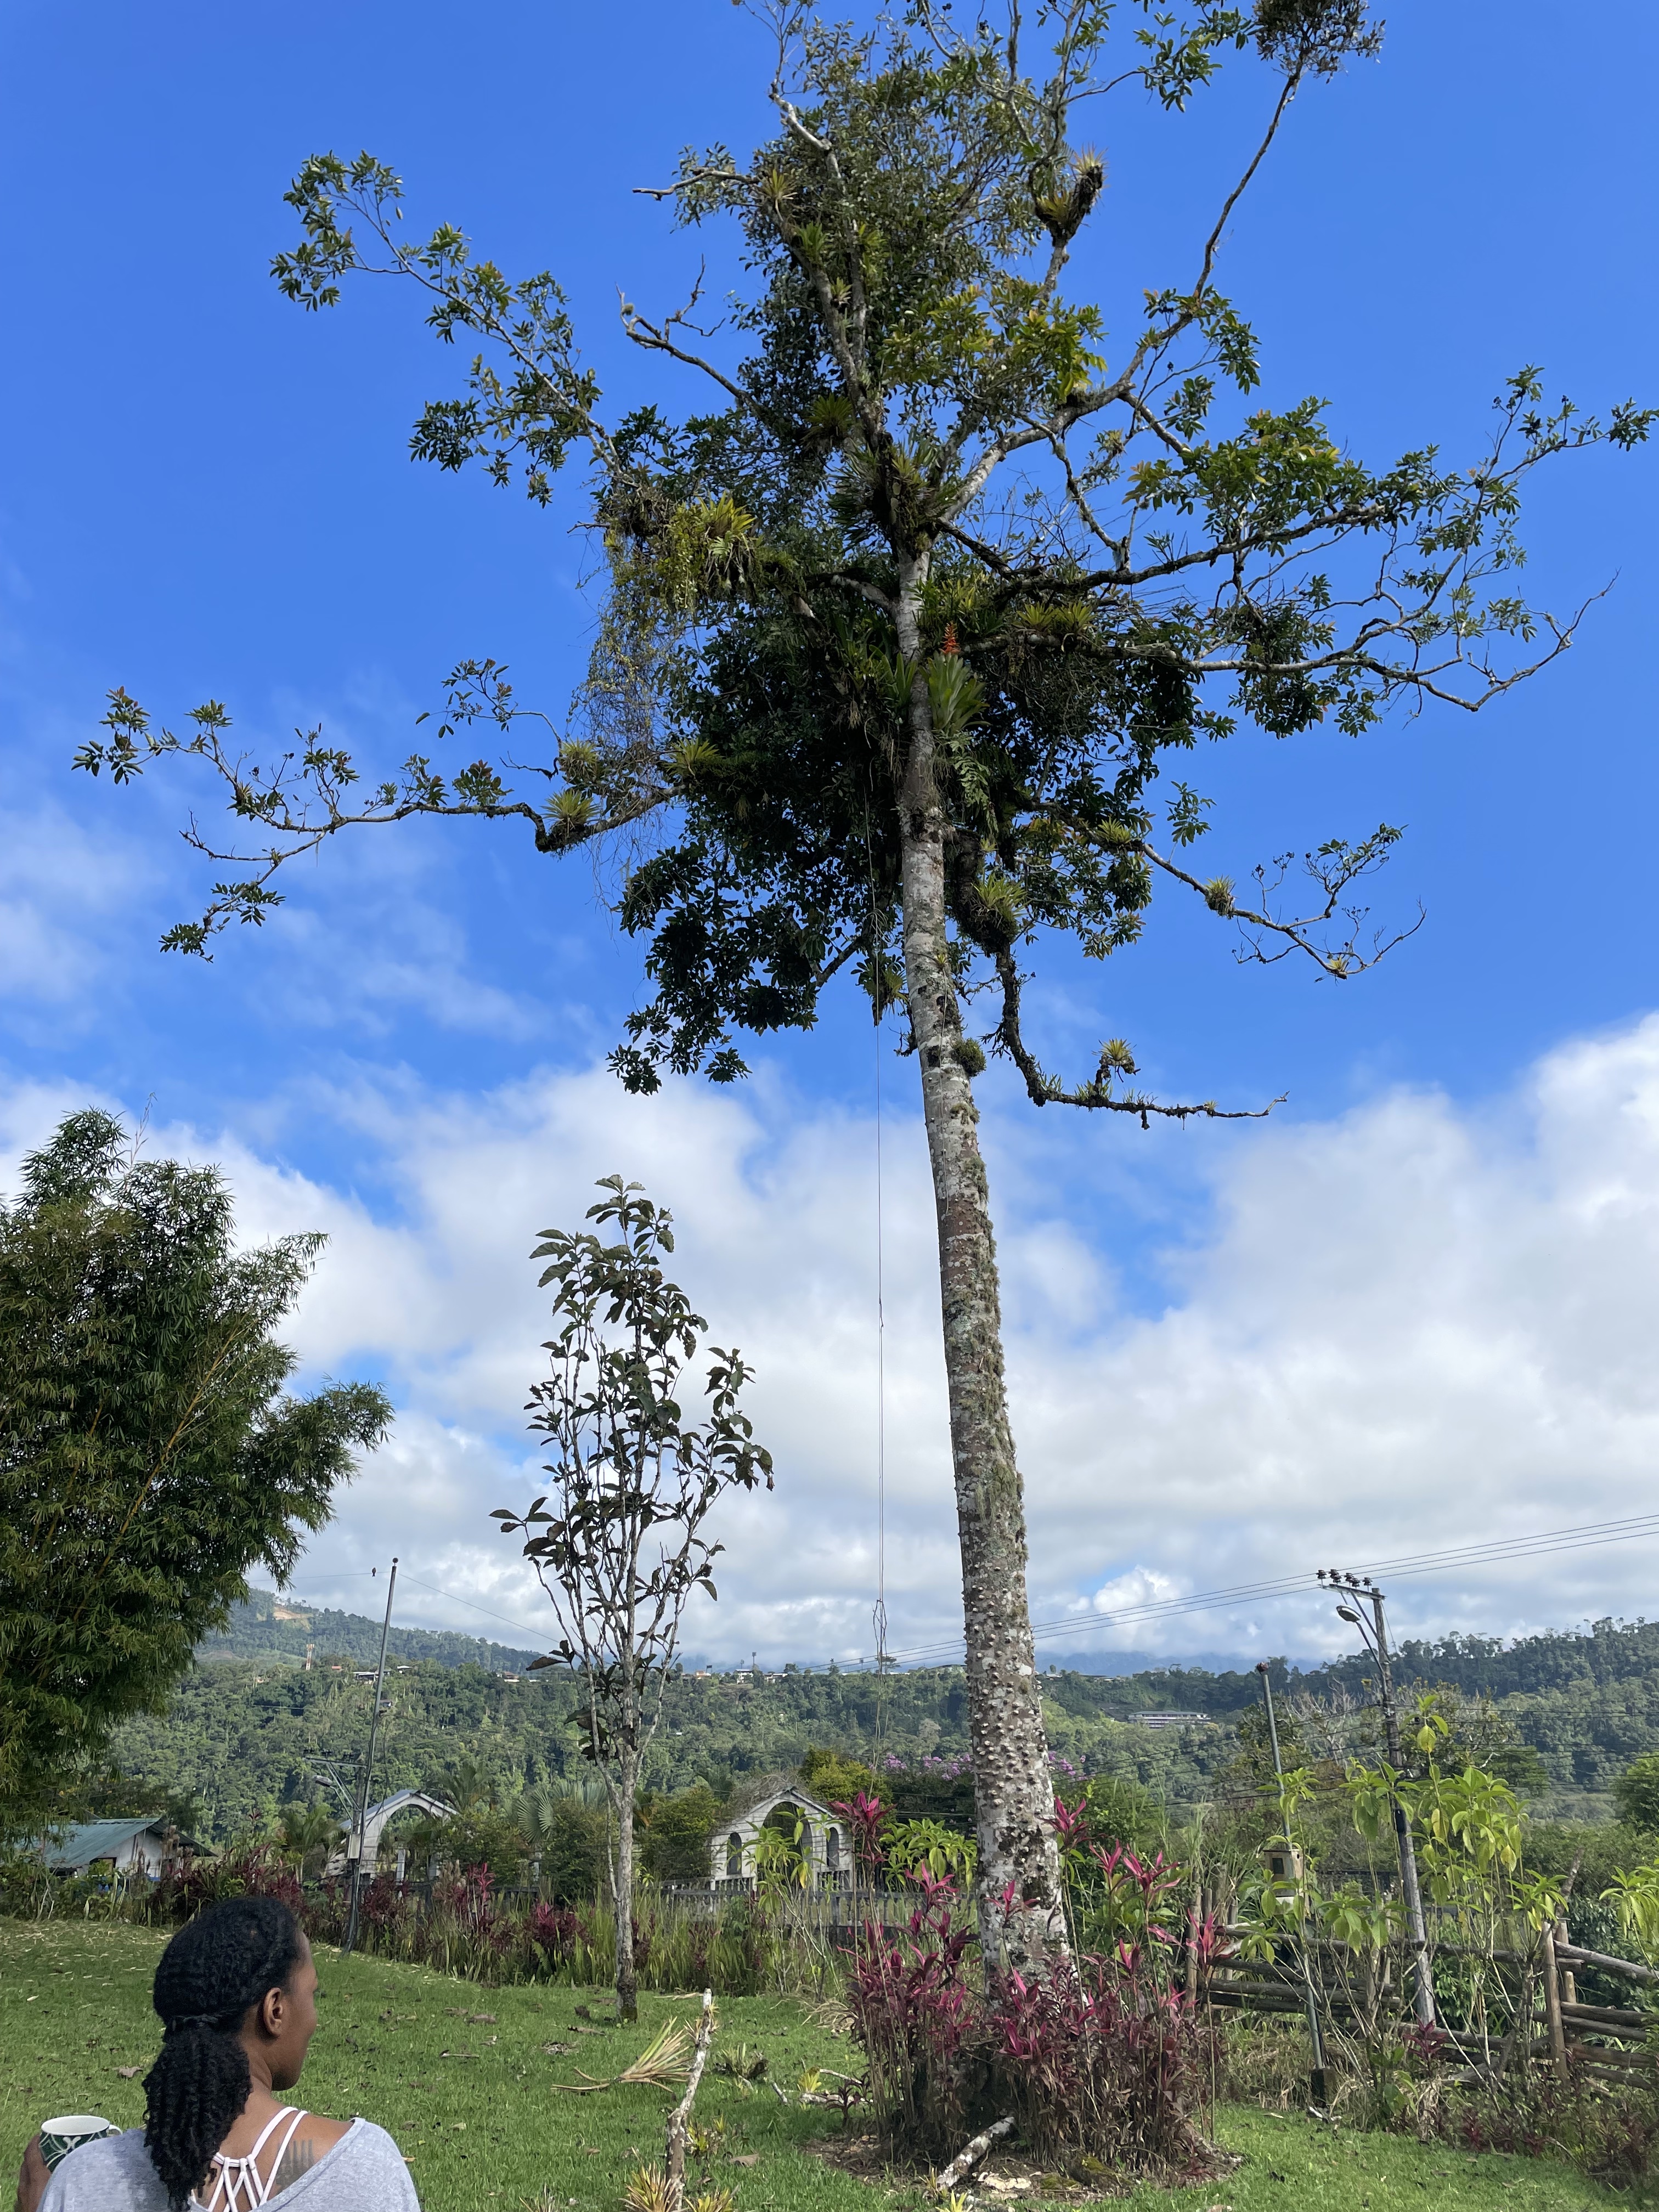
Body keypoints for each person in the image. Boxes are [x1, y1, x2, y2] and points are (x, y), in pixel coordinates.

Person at [13, 1897, 419, 2211]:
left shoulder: (85, 2179)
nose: (314, 2018)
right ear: (275, 2010)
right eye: (313, 1994)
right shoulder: (363, 2169)